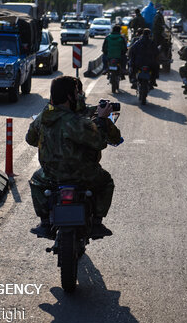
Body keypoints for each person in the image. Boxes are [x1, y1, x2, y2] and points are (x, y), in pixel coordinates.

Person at [26, 76, 122, 239]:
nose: (79, 95)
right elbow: (99, 142)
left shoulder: (44, 117)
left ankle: (44, 222)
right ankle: (97, 223)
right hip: (84, 175)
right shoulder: (77, 122)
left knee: (36, 181)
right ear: (70, 96)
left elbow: (31, 139)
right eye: (76, 92)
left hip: (51, 175)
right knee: (106, 182)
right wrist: (101, 119)